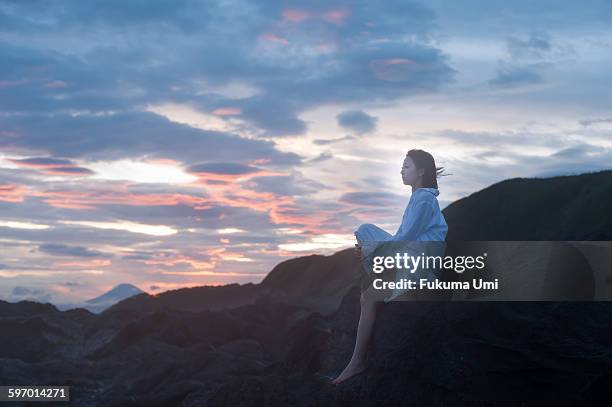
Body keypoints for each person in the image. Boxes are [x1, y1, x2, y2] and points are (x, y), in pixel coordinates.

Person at [329, 149, 448, 385]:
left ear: (421, 171)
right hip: (410, 254)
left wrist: (373, 252)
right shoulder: (419, 197)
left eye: (406, 166)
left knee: (367, 296)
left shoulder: (424, 199)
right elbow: (403, 236)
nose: (402, 171)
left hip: (419, 262)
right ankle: (379, 277)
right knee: (365, 231)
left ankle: (356, 363)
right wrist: (370, 249)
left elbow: (405, 239)